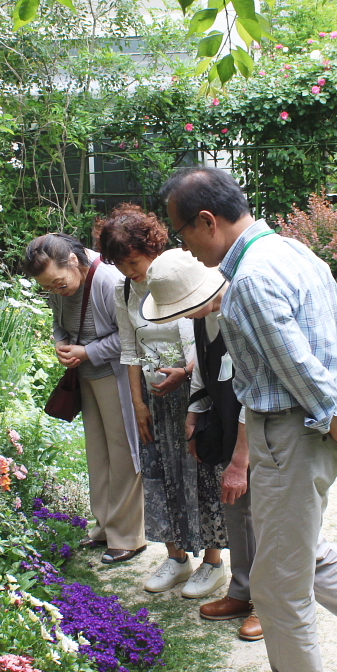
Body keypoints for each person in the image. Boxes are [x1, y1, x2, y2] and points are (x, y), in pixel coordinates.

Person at [159, 167, 337, 672]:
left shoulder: (248, 283)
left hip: (290, 433)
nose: (186, 248)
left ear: (207, 221)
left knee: (276, 583)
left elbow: (295, 362)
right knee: (302, 554)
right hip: (307, 429)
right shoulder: (296, 252)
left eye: (183, 234)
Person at [97, 205, 229, 599]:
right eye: (120, 265)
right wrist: (138, 403)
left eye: (133, 262)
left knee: (201, 473)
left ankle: (212, 562)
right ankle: (175, 556)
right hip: (156, 400)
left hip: (194, 394)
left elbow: (205, 337)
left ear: (151, 247)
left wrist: (185, 375)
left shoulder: (184, 275)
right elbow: (130, 347)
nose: (128, 272)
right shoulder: (125, 290)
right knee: (161, 474)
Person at [142, 248, 261, 643]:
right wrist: (193, 419)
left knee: (262, 514)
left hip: (261, 425)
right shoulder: (202, 315)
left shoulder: (241, 313)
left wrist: (240, 460)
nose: (180, 315)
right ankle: (242, 592)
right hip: (225, 420)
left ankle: (268, 603)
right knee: (236, 512)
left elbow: (254, 392)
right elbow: (204, 369)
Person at [21, 232, 145, 564]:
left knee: (123, 455)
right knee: (98, 453)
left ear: (73, 261)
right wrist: (61, 343)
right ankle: (104, 528)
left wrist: (87, 351)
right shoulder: (58, 283)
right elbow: (59, 323)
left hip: (116, 376)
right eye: (47, 287)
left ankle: (129, 536)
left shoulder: (108, 279)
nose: (54, 291)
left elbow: (130, 337)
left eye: (58, 284)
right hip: (87, 375)